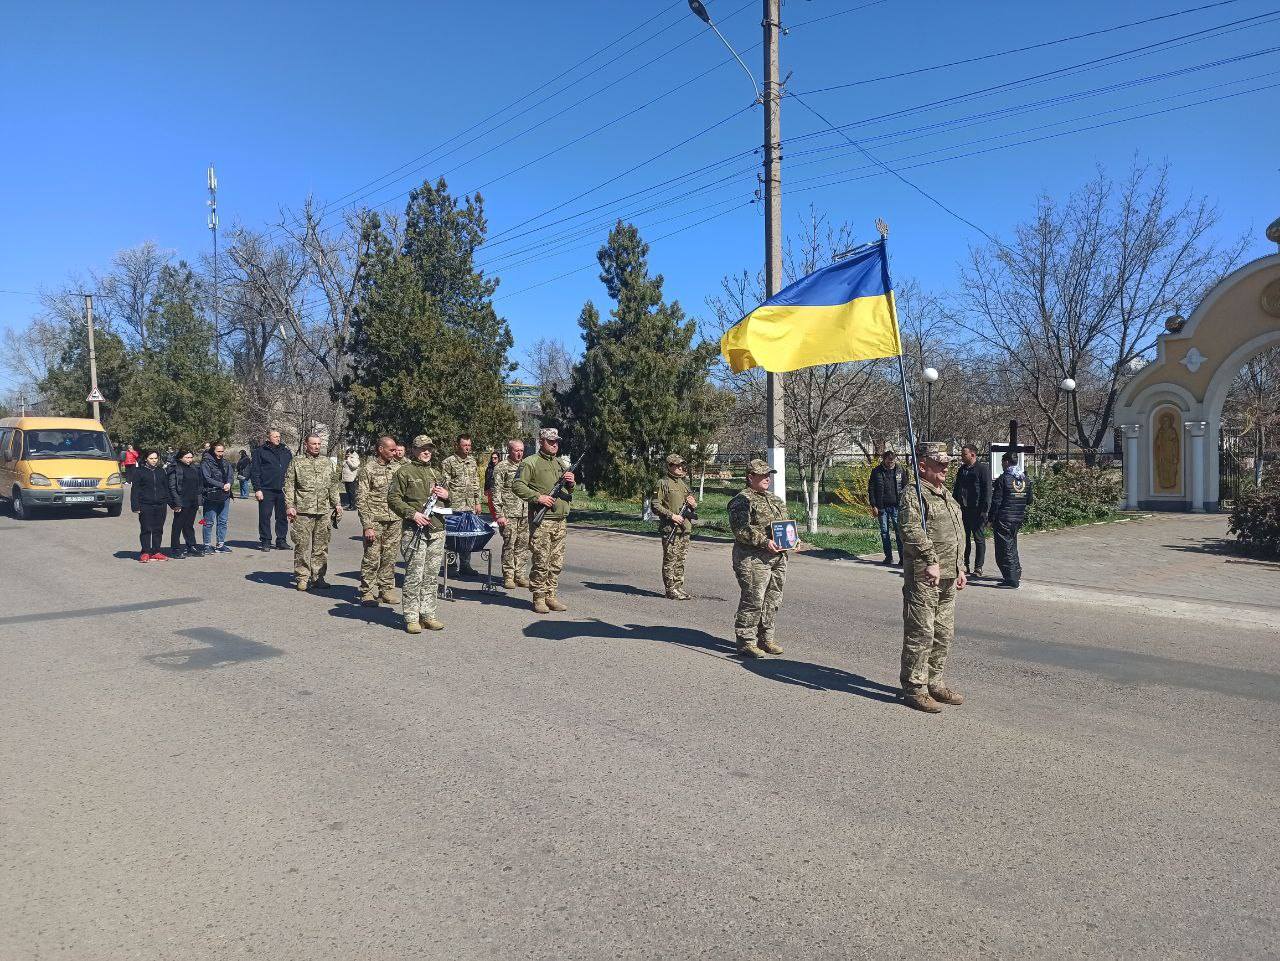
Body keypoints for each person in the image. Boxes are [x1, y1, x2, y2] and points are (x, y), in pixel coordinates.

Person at [898, 441, 967, 713]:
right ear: (922, 466)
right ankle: (915, 687)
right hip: (925, 576)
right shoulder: (914, 494)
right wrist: (930, 560)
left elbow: (956, 534)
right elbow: (911, 530)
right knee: (921, 632)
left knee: (943, 633)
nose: (945, 468)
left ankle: (934, 681)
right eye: (940, 463)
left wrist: (961, 567)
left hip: (949, 575)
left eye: (948, 464)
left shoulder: (945, 495)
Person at [387, 435, 448, 634]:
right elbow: (393, 499)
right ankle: (412, 617)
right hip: (415, 532)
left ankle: (428, 614)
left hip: (437, 530)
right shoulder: (404, 472)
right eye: (422, 448)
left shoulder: (437, 473)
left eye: (429, 448)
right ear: (413, 450)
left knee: (431, 576)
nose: (426, 452)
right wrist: (412, 514)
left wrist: (448, 496)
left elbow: (448, 502)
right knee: (414, 575)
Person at [728, 459, 789, 658]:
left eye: (768, 475)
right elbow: (741, 530)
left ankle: (766, 638)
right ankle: (746, 641)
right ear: (750, 477)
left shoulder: (775, 499)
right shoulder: (741, 500)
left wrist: (793, 540)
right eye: (762, 475)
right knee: (754, 598)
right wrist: (764, 542)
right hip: (753, 558)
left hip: (778, 557)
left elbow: (784, 525)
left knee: (773, 599)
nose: (767, 478)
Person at [513, 427, 575, 614]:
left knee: (556, 563)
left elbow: (567, 492)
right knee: (541, 561)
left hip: (560, 520)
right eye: (550, 441)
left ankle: (551, 595)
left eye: (556, 441)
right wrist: (538, 497)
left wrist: (571, 483)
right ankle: (539, 598)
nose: (554, 444)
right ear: (541, 441)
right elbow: (517, 485)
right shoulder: (530, 463)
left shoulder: (560, 464)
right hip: (542, 520)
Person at [283, 434, 342, 592]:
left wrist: (337, 503)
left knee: (321, 547)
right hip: (302, 510)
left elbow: (333, 485)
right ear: (306, 445)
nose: (317, 446)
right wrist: (289, 505)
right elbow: (289, 485)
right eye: (313, 444)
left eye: (319, 444)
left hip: (323, 511)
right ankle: (302, 577)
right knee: (302, 545)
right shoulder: (297, 462)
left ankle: (318, 577)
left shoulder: (327, 462)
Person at [356, 435, 403, 607]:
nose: (394, 452)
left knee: (390, 556)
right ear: (380, 449)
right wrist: (367, 525)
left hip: (395, 519)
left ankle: (386, 589)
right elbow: (361, 499)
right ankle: (366, 591)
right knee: (372, 557)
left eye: (395, 449)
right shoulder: (368, 469)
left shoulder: (398, 468)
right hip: (375, 520)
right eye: (391, 450)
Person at [651, 453, 697, 600]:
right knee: (670, 559)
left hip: (685, 528)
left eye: (681, 464)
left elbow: (691, 504)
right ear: (669, 466)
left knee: (680, 560)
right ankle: (670, 589)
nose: (680, 467)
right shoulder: (662, 483)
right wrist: (672, 516)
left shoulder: (683, 483)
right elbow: (655, 505)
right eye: (677, 465)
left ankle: (678, 586)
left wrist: (693, 504)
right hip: (671, 528)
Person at [988, 453, 1035, 588]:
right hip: (1018, 517)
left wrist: (990, 519)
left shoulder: (1004, 479)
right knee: (1012, 546)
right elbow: (1029, 500)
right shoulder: (1024, 478)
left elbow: (996, 501)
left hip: (1004, 518)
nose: (1002, 465)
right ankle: (1016, 573)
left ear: (1007, 462)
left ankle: (1011, 579)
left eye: (1003, 462)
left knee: (1004, 549)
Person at [490, 439, 530, 590]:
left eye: (521, 450)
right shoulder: (501, 467)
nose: (519, 453)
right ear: (509, 450)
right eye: (516, 450)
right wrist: (499, 515)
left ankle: (520, 575)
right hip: (508, 513)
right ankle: (508, 575)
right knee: (510, 545)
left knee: (523, 545)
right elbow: (496, 492)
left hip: (525, 512)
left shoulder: (526, 466)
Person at [440, 434, 481, 576]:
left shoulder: (473, 462)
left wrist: (477, 502)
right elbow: (444, 485)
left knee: (467, 536)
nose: (467, 448)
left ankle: (465, 565)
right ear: (458, 445)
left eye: (469, 445)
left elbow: (476, 483)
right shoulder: (448, 462)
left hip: (469, 506)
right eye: (465, 445)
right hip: (454, 506)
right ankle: (451, 566)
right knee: (452, 537)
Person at [951, 444, 992, 578]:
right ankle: (965, 564)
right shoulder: (962, 469)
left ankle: (978, 567)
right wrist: (953, 504)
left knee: (979, 539)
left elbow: (987, 491)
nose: (962, 457)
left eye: (964, 454)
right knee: (964, 538)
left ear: (972, 455)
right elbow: (957, 488)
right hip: (963, 509)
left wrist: (985, 511)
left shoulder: (982, 469)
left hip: (977, 510)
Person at [250, 429, 293, 552]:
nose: (277, 438)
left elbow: (291, 470)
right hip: (266, 489)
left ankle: (281, 540)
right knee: (265, 516)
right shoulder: (260, 451)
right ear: (268, 438)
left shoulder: (286, 451)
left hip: (283, 489)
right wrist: (257, 489)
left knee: (282, 517)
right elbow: (255, 471)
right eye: (275, 436)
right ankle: (265, 541)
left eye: (279, 436)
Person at [867, 449, 907, 565]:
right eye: (889, 462)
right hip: (881, 507)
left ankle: (902, 558)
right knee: (884, 532)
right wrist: (873, 505)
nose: (891, 464)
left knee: (899, 533)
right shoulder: (876, 472)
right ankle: (888, 557)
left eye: (893, 461)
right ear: (884, 460)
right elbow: (871, 489)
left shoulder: (900, 470)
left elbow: (905, 488)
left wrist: (905, 504)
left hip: (897, 506)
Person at [131, 450, 169, 563]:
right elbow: (135, 490)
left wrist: (169, 501)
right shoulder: (139, 471)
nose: (154, 460)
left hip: (160, 504)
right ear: (146, 459)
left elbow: (165, 487)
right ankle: (145, 552)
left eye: (155, 458)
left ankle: (156, 551)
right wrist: (135, 506)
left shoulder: (161, 471)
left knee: (158, 529)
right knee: (146, 529)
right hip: (145, 504)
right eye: (151, 458)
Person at [199, 442, 234, 554]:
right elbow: (207, 478)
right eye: (218, 451)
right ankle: (207, 545)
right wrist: (221, 485)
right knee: (208, 522)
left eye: (222, 451)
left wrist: (229, 483)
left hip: (225, 495)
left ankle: (220, 544)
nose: (220, 453)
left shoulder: (225, 462)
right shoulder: (206, 463)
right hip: (211, 494)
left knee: (223, 521)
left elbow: (230, 475)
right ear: (212, 451)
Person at [167, 449, 202, 559]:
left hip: (192, 501)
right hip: (181, 501)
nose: (189, 460)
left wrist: (199, 501)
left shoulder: (194, 468)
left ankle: (191, 546)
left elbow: (198, 485)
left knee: (189, 525)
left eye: (191, 457)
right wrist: (176, 503)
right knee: (178, 526)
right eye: (187, 457)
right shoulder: (175, 468)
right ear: (180, 457)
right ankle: (175, 549)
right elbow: (172, 487)